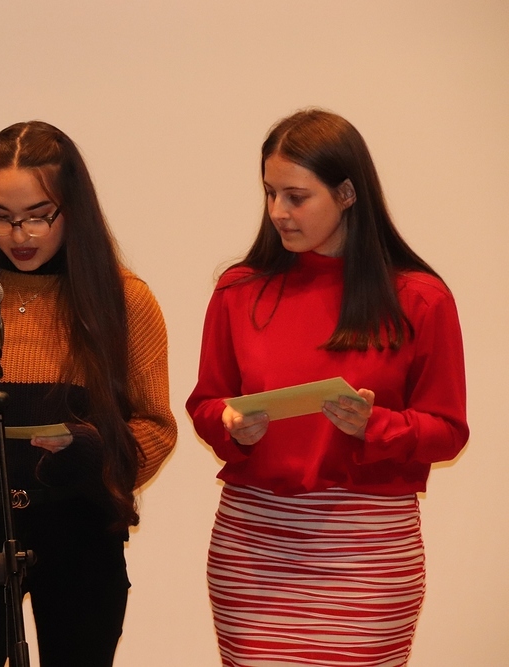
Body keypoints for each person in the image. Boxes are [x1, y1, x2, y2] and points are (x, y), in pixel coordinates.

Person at [186, 108, 469, 666]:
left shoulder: (419, 298)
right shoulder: (238, 290)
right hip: (255, 542)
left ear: (346, 194)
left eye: (296, 197)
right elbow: (205, 403)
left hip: (367, 546)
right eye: (270, 193)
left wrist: (377, 426)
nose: (278, 212)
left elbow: (449, 430)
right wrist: (230, 425)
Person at [0, 120, 176, 666]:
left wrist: (94, 453)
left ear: (74, 208)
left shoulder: (124, 300)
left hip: (81, 535)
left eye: (38, 216)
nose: (19, 235)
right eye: (1, 216)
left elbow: (156, 426)